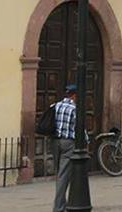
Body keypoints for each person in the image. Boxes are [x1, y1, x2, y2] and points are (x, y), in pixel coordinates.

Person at [51, 84, 78, 212]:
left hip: (55, 142)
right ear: (74, 95)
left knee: (59, 174)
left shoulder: (56, 106)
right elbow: (79, 127)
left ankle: (62, 202)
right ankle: (59, 207)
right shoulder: (74, 108)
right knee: (64, 175)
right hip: (68, 143)